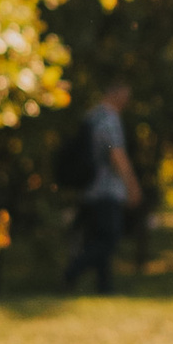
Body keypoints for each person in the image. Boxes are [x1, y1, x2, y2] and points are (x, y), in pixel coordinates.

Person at [60, 84, 138, 294]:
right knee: (109, 239)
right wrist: (132, 185)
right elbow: (116, 155)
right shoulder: (109, 120)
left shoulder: (91, 117)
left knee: (97, 238)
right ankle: (71, 272)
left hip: (88, 188)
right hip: (106, 189)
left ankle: (104, 288)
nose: (128, 99)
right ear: (115, 91)